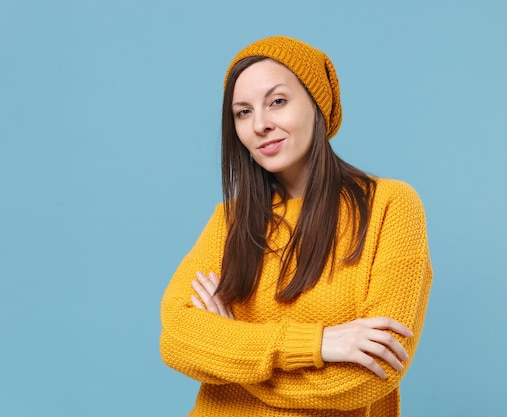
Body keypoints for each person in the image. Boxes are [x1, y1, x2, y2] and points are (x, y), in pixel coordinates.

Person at [159, 35, 432, 417]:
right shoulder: (230, 220)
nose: (260, 125)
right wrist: (317, 344)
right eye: (242, 112)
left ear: (316, 104)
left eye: (277, 102)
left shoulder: (390, 206)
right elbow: (176, 338)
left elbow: (371, 374)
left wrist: (232, 352)